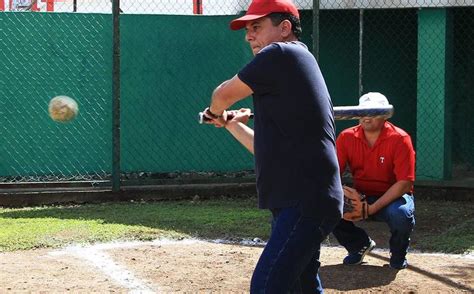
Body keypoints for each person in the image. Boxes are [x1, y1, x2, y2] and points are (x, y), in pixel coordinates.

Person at [201, 0, 343, 292]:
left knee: (267, 286)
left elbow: (223, 93)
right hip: (303, 199)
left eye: (256, 26)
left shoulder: (280, 53)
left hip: (303, 200)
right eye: (248, 28)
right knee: (301, 286)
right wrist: (230, 123)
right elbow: (265, 149)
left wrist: (215, 111)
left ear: (285, 28)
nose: (248, 35)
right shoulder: (289, 68)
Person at [332, 92, 416, 270]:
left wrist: (371, 208)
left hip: (393, 197)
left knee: (401, 214)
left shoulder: (400, 139)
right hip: (361, 194)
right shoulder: (346, 137)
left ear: (385, 116)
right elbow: (332, 174)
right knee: (327, 206)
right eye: (363, 113)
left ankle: (398, 255)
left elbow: (404, 183)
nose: (366, 118)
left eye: (373, 113)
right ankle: (358, 245)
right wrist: (342, 193)